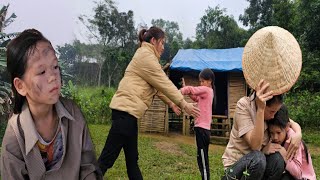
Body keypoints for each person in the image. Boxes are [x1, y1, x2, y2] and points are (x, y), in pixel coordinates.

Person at [98, 26, 200, 179]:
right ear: (153, 41)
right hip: (124, 113)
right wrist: (183, 104)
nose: (163, 47)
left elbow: (157, 88)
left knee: (132, 161)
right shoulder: (146, 56)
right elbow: (163, 82)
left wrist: (171, 104)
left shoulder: (146, 56)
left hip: (129, 115)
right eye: (162, 43)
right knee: (106, 160)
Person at [0, 29, 102, 180]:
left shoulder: (73, 113)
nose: (53, 77)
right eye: (41, 72)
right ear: (20, 86)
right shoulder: (15, 137)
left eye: (55, 67)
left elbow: (88, 168)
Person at [221, 80, 302, 180]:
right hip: (236, 168)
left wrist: (298, 134)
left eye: (275, 112)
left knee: (277, 159)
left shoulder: (272, 112)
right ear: (262, 104)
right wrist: (260, 109)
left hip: (258, 168)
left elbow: (289, 122)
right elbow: (255, 146)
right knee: (258, 158)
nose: (273, 116)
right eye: (272, 112)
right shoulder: (244, 105)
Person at [179, 68, 215, 180]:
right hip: (202, 129)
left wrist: (179, 92)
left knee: (203, 159)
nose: (201, 84)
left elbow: (191, 89)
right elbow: (195, 97)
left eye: (203, 81)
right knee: (201, 157)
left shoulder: (207, 90)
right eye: (200, 82)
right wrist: (187, 89)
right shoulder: (206, 93)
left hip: (202, 129)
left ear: (209, 81)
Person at [267, 105, 316, 180]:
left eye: (278, 132)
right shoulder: (274, 136)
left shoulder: (294, 142)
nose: (275, 137)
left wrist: (284, 155)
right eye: (271, 133)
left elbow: (298, 174)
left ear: (287, 127)